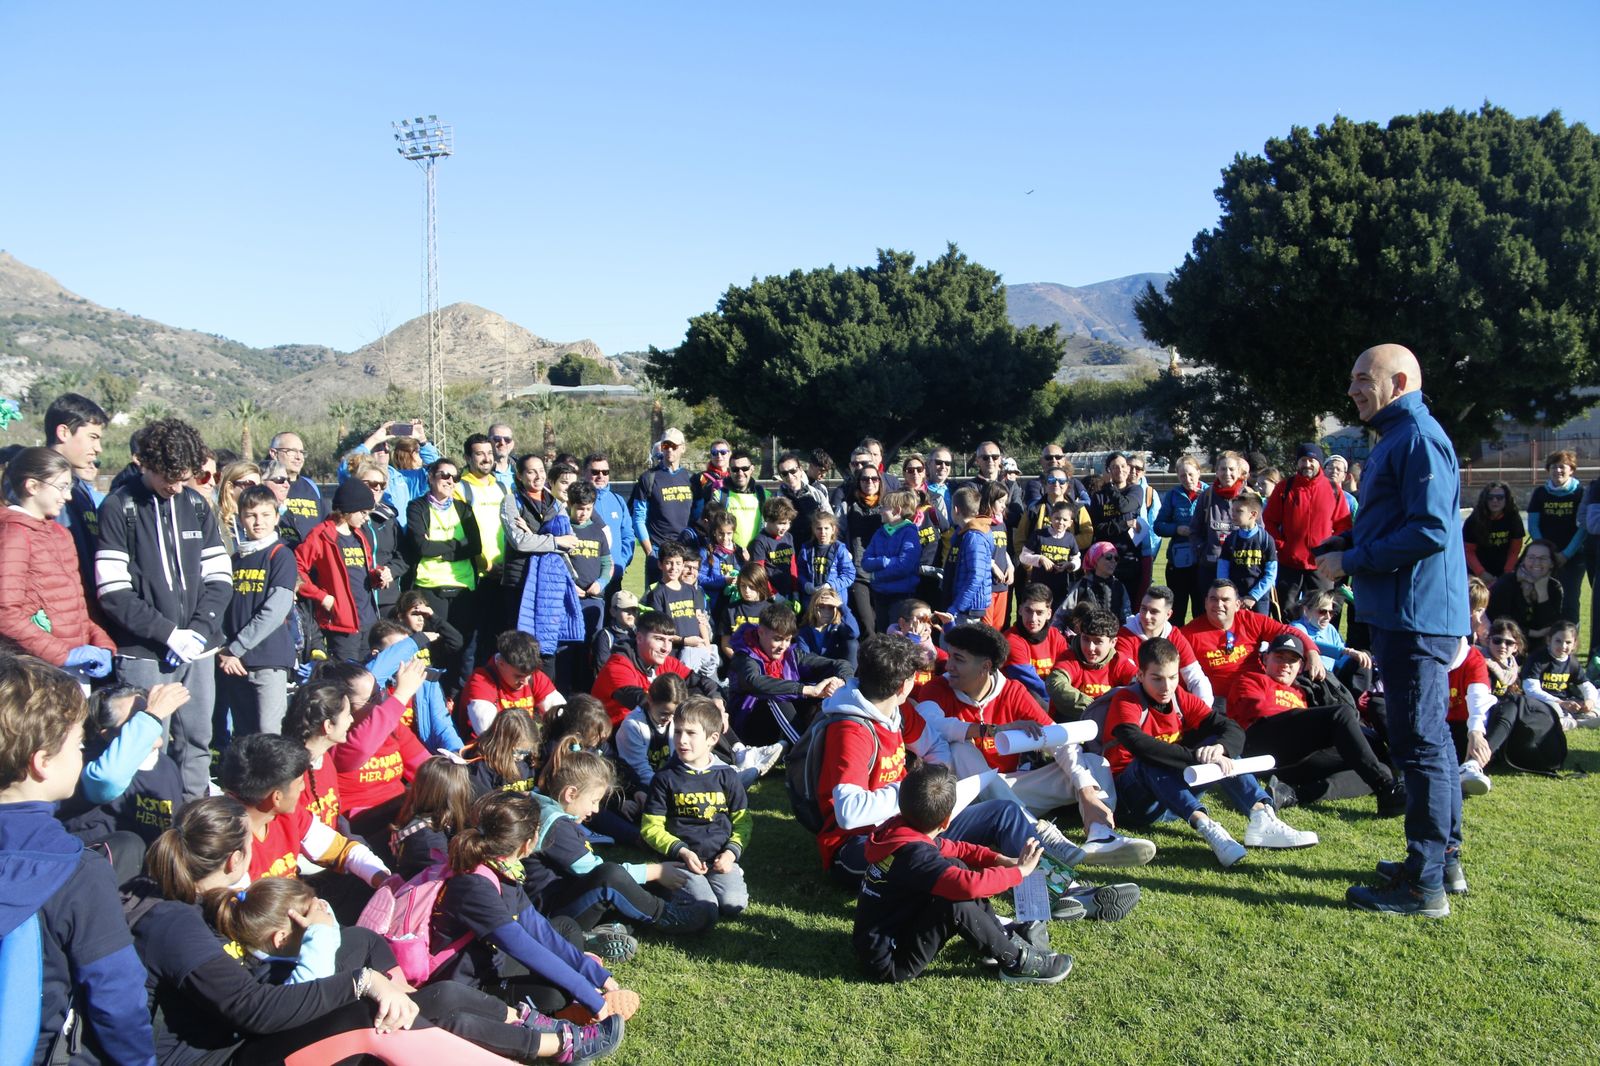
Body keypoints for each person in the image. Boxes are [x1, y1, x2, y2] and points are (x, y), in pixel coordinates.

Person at [1319, 343, 1470, 917]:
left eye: (1364, 378)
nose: (1353, 388)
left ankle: (1423, 882)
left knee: (1420, 744)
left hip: (1416, 616)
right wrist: (1346, 545)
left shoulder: (1418, 439)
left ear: (1399, 381)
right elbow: (1398, 521)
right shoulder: (1398, 439)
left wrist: (1352, 563)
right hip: (1406, 612)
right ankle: (1441, 861)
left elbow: (1430, 530)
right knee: (1425, 740)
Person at [0, 656, 157, 1066]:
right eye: (78, 745)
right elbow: (117, 999)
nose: (83, 755)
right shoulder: (77, 872)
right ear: (41, 762)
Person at [904, 622, 1154, 866]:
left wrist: (1085, 790)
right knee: (961, 749)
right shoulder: (937, 688)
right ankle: (1037, 833)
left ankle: (1101, 834)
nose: (950, 666)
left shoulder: (1012, 691)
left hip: (1010, 789)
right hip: (964, 799)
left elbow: (1058, 740)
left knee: (1094, 763)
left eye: (959, 659)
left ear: (986, 666)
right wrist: (990, 730)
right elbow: (932, 725)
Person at [95, 417, 233, 800]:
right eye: (166, 478)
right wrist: (167, 633)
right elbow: (113, 592)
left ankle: (194, 826)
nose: (174, 488)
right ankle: (146, 829)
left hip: (198, 649)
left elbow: (220, 577)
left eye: (183, 478)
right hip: (144, 653)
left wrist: (200, 631)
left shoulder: (196, 505)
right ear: (145, 464)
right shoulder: (118, 507)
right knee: (144, 744)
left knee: (197, 740)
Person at [1102, 639, 1318, 867]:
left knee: (1218, 744)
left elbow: (1231, 728)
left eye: (1173, 677)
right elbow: (1139, 745)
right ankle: (1208, 827)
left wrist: (1220, 749)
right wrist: (1196, 757)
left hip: (1172, 799)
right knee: (1148, 761)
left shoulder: (1179, 697)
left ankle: (1261, 816)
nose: (1166, 687)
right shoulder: (1126, 699)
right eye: (1156, 678)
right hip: (1131, 802)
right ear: (1140, 675)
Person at [853, 763, 1070, 985]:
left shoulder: (898, 829)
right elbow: (968, 886)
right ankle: (1015, 963)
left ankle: (1000, 939)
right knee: (955, 905)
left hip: (881, 939)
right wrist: (1019, 873)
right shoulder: (915, 854)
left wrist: (998, 859)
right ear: (947, 820)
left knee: (955, 863)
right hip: (890, 962)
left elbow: (955, 849)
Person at [526, 750, 702, 954]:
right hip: (552, 916)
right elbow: (595, 871)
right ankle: (667, 917)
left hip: (565, 899)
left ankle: (595, 937)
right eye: (594, 801)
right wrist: (656, 871)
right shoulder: (556, 827)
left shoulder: (546, 807)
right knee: (612, 877)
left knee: (634, 888)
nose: (596, 810)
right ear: (571, 794)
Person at [1229, 634, 1404, 812]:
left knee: (1378, 766)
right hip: (1261, 743)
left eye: (1292, 661)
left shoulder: (1301, 691)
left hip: (1294, 761)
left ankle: (1292, 795)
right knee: (1341, 714)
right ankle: (1385, 785)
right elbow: (1260, 712)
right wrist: (1316, 725)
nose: (1285, 665)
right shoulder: (1250, 679)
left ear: (1300, 667)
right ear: (1266, 658)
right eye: (1279, 657)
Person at [0, 447, 116, 674]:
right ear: (32, 486)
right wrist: (63, 654)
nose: (68, 496)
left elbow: (80, 606)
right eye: (62, 487)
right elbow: (5, 611)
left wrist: (102, 643)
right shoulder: (13, 534)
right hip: (38, 670)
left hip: (76, 665)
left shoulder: (61, 534)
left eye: (69, 487)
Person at [640, 697, 751, 926]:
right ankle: (664, 881)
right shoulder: (664, 778)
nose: (682, 740)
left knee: (733, 904)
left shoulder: (727, 776)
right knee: (705, 906)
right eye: (678, 732)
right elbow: (650, 828)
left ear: (712, 738)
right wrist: (683, 852)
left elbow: (743, 822)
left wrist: (731, 853)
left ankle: (723, 879)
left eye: (691, 733)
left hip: (718, 858)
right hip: (681, 860)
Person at [217, 484, 299, 739]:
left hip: (268, 659)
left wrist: (236, 648)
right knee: (243, 735)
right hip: (234, 662)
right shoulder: (235, 560)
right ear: (241, 518)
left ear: (276, 517)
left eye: (265, 515)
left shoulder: (281, 555)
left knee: (269, 735)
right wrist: (225, 650)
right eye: (251, 515)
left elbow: (275, 610)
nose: (258, 522)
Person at [727, 601, 853, 749]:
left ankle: (833, 745)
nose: (783, 646)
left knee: (821, 693)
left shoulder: (792, 654)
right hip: (750, 726)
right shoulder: (744, 657)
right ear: (761, 632)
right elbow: (754, 681)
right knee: (778, 696)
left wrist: (840, 681)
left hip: (783, 724)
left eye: (787, 640)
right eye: (777, 639)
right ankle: (805, 753)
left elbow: (839, 664)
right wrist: (807, 690)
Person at [1179, 580, 1322, 709]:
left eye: (1225, 600)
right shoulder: (1188, 634)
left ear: (1237, 605)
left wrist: (1312, 653)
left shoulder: (1250, 620)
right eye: (1213, 599)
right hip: (1221, 702)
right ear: (1205, 603)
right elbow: (1180, 676)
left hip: (1261, 691)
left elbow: (1288, 632)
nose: (1218, 605)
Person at [405, 457, 482, 678]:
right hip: (430, 588)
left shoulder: (463, 509)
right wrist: (457, 547)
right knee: (435, 646)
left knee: (462, 648)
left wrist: (439, 550)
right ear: (431, 477)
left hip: (462, 587)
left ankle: (456, 698)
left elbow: (475, 546)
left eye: (454, 477)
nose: (450, 480)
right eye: (444, 475)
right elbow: (421, 546)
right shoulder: (417, 507)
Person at [294, 479, 381, 663]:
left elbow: (364, 571)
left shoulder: (359, 535)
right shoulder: (321, 535)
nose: (366, 518)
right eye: (363, 513)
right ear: (348, 509)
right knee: (346, 682)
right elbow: (296, 568)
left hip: (367, 621)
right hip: (342, 624)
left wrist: (378, 576)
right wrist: (321, 597)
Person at [591, 613, 724, 728]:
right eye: (659, 639)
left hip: (654, 727)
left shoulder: (665, 662)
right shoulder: (618, 665)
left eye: (670, 640)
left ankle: (737, 748)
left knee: (701, 698)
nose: (666, 648)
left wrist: (716, 701)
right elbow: (637, 700)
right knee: (694, 720)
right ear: (639, 638)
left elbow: (701, 681)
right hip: (618, 734)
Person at [1264, 444, 1351, 619]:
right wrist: (1282, 546)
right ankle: (1288, 646)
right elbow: (1269, 521)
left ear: (1319, 462)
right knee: (1286, 614)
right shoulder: (1284, 487)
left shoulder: (1333, 490)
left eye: (1312, 460)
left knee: (1323, 612)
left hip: (1321, 565)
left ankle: (1322, 646)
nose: (1307, 464)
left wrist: (1331, 550)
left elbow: (1344, 525)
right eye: (1303, 460)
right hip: (1289, 562)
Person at [44, 392, 109, 602]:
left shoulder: (79, 486)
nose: (98, 449)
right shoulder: (37, 484)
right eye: (93, 437)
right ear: (64, 432)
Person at [1114, 585, 1215, 706]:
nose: (1146, 616)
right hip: (1135, 701)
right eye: (1143, 609)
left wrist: (1204, 710)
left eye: (1154, 612)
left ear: (1168, 614)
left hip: (1170, 701)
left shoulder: (1175, 636)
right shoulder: (1125, 635)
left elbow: (1195, 677)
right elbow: (1129, 675)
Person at [458, 630, 567, 737]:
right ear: (501, 663)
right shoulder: (481, 681)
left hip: (525, 742)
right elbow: (489, 733)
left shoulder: (533, 677)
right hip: (489, 748)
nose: (525, 682)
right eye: (518, 676)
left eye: (529, 675)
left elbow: (561, 713)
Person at [1525, 450, 1585, 625]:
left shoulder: (1580, 493)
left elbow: (1583, 529)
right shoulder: (1540, 494)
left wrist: (1565, 555)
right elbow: (1534, 526)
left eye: (1562, 467)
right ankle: (1545, 642)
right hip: (1545, 557)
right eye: (1553, 467)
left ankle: (1569, 643)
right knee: (1543, 597)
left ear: (1571, 470)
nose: (1557, 471)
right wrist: (1548, 553)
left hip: (1573, 558)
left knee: (1570, 601)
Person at [631, 427, 694, 585]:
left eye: (674, 446)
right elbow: (638, 518)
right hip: (659, 552)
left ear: (683, 448)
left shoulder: (691, 479)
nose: (669, 450)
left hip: (686, 552)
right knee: (655, 604)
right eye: (666, 446)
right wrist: (650, 551)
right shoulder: (648, 478)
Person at [859, 489, 923, 630]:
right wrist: (884, 561)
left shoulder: (909, 533)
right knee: (882, 633)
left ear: (896, 510)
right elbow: (865, 562)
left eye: (884, 507)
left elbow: (904, 566)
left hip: (901, 597)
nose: (880, 510)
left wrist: (876, 574)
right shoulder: (879, 533)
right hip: (880, 594)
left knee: (897, 634)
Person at [1089, 453, 1145, 607]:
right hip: (1105, 559)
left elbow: (1124, 506)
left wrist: (1110, 488)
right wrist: (1125, 523)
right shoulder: (1098, 497)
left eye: (1123, 466)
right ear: (1108, 471)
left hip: (1128, 557)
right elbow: (1098, 529)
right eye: (1114, 467)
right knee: (1106, 604)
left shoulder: (1135, 490)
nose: (1119, 470)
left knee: (1129, 606)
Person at [1189, 451, 1248, 592]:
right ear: (1216, 471)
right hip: (1210, 567)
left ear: (1239, 472)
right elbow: (1194, 530)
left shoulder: (1248, 496)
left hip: (1240, 568)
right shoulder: (1207, 496)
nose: (1227, 473)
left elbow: (1259, 532)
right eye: (1223, 469)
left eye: (1231, 469)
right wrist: (1203, 552)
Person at [1487, 539, 1563, 642]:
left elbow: (1551, 626)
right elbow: (1498, 621)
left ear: (1552, 563)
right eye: (1531, 557)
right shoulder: (1506, 583)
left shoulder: (1554, 587)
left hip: (1541, 645)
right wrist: (1534, 633)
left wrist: (1542, 593)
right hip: (1506, 642)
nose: (1537, 562)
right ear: (1523, 560)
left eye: (1543, 558)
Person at [584, 452, 634, 603]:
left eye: (605, 472)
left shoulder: (618, 501)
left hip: (614, 577)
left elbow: (628, 536)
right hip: (589, 579)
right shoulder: (578, 502)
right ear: (584, 473)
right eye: (595, 472)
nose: (600, 476)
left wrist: (621, 562)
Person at [1217, 491, 1277, 616]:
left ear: (1253, 514)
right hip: (1235, 597)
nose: (1233, 514)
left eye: (1239, 511)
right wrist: (1232, 593)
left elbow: (1271, 574)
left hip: (1259, 599)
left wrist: (1253, 596)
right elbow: (1222, 570)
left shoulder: (1266, 540)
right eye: (1232, 510)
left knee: (1259, 632)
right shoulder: (1231, 539)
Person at [943, 486, 995, 627]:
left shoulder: (974, 537)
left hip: (966, 610)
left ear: (955, 510)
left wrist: (956, 607)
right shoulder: (961, 532)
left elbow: (976, 576)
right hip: (957, 606)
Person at [268, 431, 325, 542]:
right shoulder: (265, 485)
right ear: (274, 453)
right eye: (292, 451)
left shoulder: (311, 487)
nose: (299, 457)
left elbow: (325, 526)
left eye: (302, 452)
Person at [1463, 481, 1524, 581]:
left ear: (1506, 499)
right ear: (1485, 499)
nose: (1495, 501)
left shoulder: (1514, 519)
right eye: (1490, 497)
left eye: (1500, 497)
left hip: (1505, 570)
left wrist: (1507, 572)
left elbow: (1515, 550)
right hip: (1477, 572)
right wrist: (1481, 573)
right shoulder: (1473, 520)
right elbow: (1468, 551)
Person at [773, 450, 831, 549]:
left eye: (793, 471)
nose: (790, 476)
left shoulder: (816, 494)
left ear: (800, 470)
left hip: (814, 551)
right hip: (788, 551)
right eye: (784, 473)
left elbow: (830, 522)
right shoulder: (776, 500)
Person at [748, 496, 800, 602]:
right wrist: (773, 594)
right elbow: (759, 573)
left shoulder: (788, 537)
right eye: (781, 523)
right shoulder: (760, 541)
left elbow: (793, 565)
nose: (786, 527)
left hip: (788, 591)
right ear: (768, 519)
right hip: (770, 595)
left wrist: (795, 591)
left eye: (789, 522)